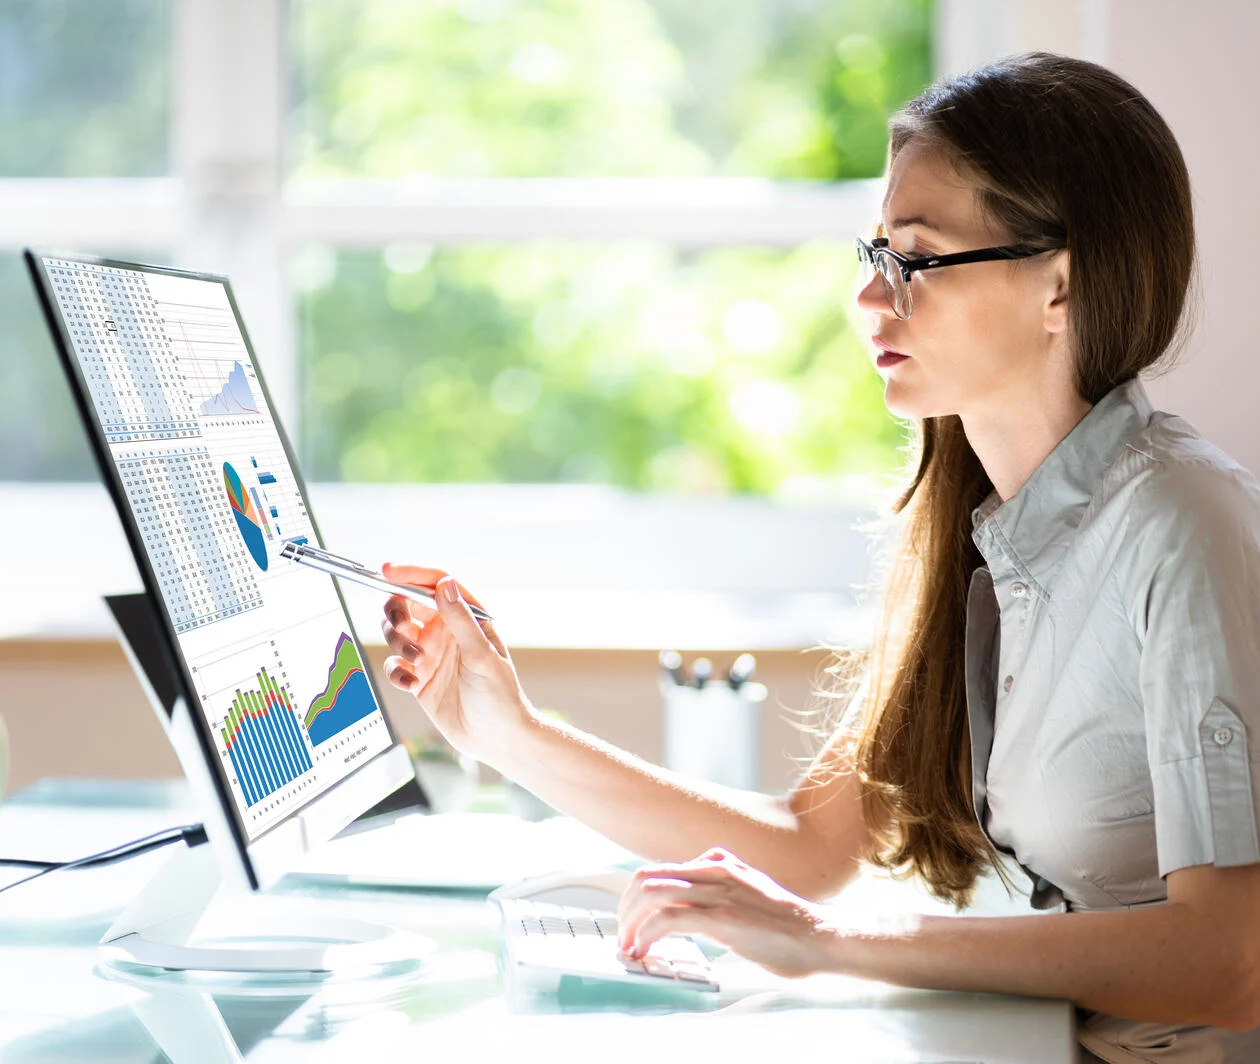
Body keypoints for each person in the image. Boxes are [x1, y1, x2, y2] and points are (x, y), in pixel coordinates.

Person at [379, 52, 1260, 1063]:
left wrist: (825, 943)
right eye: (874, 251)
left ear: (1059, 284)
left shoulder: (1186, 522)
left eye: (915, 261)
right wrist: (510, 731)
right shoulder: (973, 521)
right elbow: (811, 846)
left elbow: (1227, 959)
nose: (868, 299)